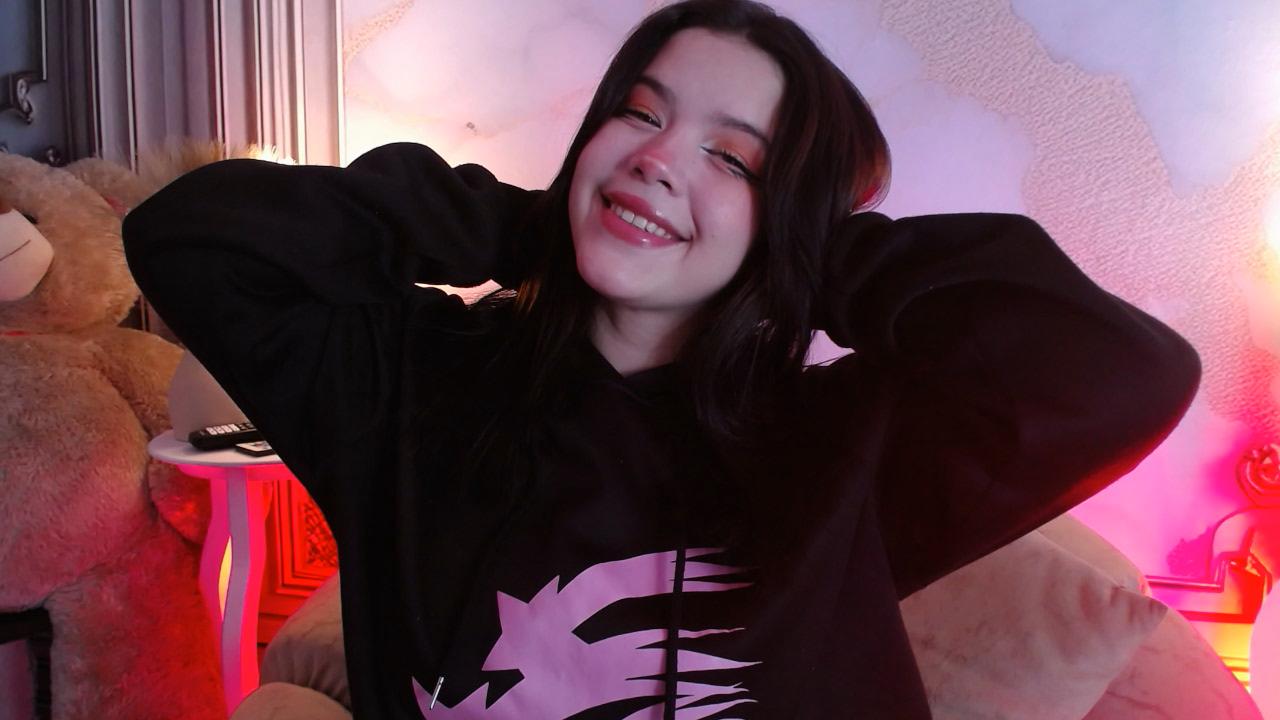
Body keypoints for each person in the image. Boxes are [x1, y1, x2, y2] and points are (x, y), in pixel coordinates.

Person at [122, 1, 1200, 717]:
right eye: (637, 114)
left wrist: (805, 254)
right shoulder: (408, 386)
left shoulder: (843, 444)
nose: (655, 159)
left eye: (733, 158)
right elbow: (192, 237)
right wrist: (531, 222)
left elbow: (1125, 370)